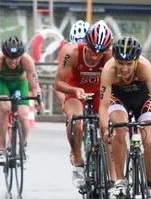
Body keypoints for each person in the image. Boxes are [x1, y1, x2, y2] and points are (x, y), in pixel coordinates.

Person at [98, 36, 151, 199]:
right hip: (118, 100)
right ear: (115, 60)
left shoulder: (145, 67)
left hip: (143, 100)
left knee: (150, 142)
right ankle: (120, 181)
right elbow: (103, 105)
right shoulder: (109, 70)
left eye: (129, 63)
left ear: (136, 61)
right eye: (121, 63)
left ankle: (150, 187)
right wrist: (106, 126)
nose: (124, 68)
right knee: (120, 130)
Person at [55, 20, 113, 188]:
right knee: (75, 121)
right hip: (75, 90)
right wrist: (74, 91)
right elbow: (58, 83)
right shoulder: (71, 52)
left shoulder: (110, 56)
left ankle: (108, 172)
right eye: (91, 51)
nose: (95, 56)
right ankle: (78, 162)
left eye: (100, 53)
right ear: (85, 43)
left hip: (99, 92)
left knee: (108, 126)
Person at [0, 35, 44, 167]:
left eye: (16, 58)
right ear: (5, 55)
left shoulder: (27, 61)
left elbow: (35, 86)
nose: (13, 61)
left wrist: (39, 100)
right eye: (10, 58)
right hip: (2, 83)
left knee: (23, 115)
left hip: (19, 83)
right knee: (5, 108)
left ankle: (22, 148)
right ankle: (1, 149)